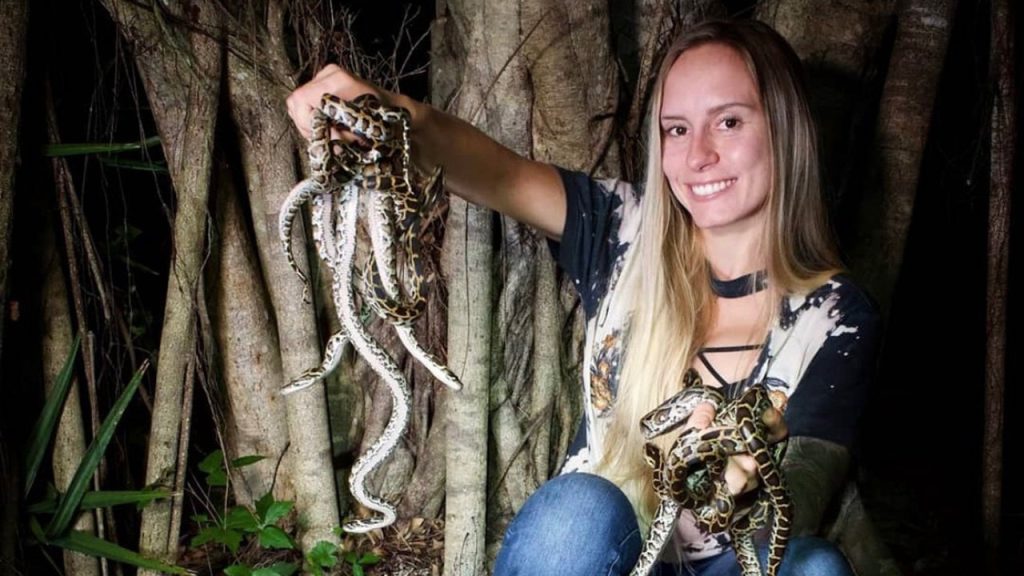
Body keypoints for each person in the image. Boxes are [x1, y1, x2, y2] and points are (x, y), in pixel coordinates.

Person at [287, 18, 881, 576]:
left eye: (729, 122)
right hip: (604, 545)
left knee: (816, 566)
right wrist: (390, 113)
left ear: (785, 129)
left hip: (738, 559)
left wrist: (744, 480)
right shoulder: (621, 229)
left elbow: (808, 481)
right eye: (677, 129)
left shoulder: (837, 316)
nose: (698, 155)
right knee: (578, 508)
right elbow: (499, 174)